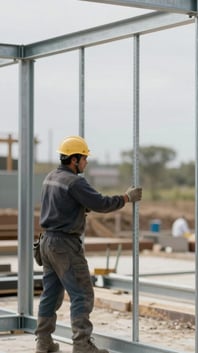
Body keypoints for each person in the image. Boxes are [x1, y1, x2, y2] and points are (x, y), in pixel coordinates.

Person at [35, 135, 142, 353]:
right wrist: (127, 198)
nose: (86, 162)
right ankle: (82, 345)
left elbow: (62, 205)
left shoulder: (51, 177)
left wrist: (78, 209)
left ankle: (43, 342)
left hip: (47, 242)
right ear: (74, 159)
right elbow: (101, 203)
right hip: (65, 245)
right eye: (84, 158)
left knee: (50, 294)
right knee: (82, 294)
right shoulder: (75, 182)